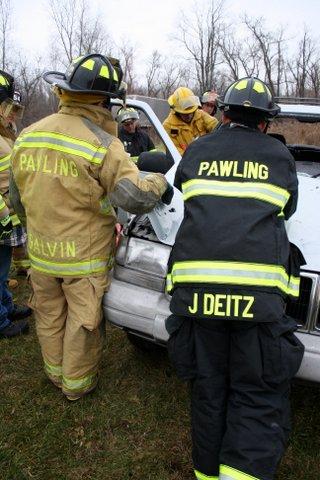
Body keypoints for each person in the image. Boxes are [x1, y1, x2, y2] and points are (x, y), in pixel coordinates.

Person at [10, 53, 172, 400]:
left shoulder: (27, 136)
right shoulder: (103, 144)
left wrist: (39, 229)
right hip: (82, 259)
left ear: (67, 92)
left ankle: (54, 374)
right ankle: (75, 385)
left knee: (50, 314)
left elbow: (17, 199)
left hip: (41, 253)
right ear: (102, 100)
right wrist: (159, 182)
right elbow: (132, 197)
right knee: (82, 322)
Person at [166, 77, 305, 480]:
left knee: (208, 391)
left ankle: (207, 474)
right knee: (256, 392)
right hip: (257, 304)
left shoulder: (198, 149)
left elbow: (187, 193)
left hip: (197, 300)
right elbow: (288, 208)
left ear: (223, 113)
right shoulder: (279, 156)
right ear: (264, 122)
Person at [0, 70, 31, 339]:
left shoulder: (6, 134)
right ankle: (0, 321)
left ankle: (7, 307)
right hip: (1, 217)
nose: (12, 115)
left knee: (3, 265)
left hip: (9, 216)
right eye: (8, 108)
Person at [163, 86, 218, 155]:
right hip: (185, 162)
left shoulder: (201, 114)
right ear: (176, 111)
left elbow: (216, 126)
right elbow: (174, 151)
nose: (189, 115)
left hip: (206, 158)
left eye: (191, 112)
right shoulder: (168, 125)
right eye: (185, 114)